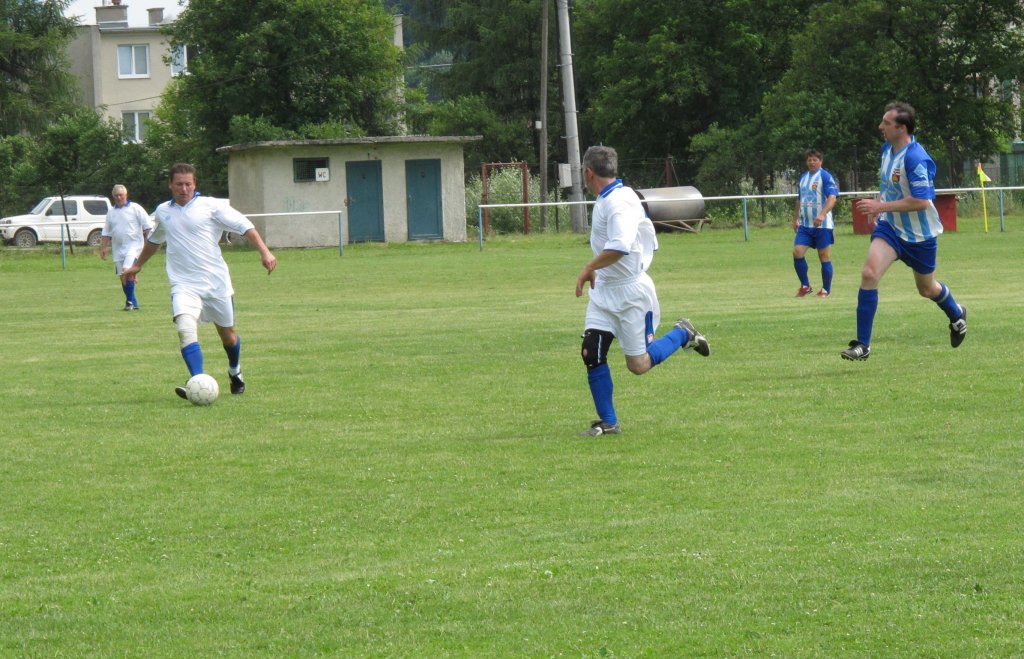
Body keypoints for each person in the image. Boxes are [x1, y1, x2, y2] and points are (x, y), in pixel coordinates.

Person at [574, 145, 710, 437]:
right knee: (591, 351)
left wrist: (589, 267)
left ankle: (682, 333)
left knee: (638, 365)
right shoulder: (608, 197)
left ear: (588, 172)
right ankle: (609, 422)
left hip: (630, 294)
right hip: (605, 290)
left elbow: (620, 247)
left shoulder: (618, 202)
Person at [123, 163, 277, 398]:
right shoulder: (163, 211)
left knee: (228, 335)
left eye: (188, 184)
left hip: (216, 283)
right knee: (185, 328)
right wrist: (137, 265)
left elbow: (245, 226)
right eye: (179, 184)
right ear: (170, 185)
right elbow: (155, 240)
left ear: (195, 184)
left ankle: (235, 370)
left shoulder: (211, 206)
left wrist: (265, 252)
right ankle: (198, 381)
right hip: (183, 284)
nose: (184, 189)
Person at [843, 102, 966, 361]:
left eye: (886, 123)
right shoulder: (887, 150)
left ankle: (957, 315)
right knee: (869, 274)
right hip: (891, 228)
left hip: (920, 237)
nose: (880, 127)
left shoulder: (916, 158)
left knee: (927, 289)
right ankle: (863, 345)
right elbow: (889, 187)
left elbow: (921, 201)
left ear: (901, 128)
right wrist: (880, 205)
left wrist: (880, 206)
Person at [792, 149, 839, 297]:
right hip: (805, 225)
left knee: (823, 256)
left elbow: (832, 198)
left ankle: (826, 290)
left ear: (820, 161)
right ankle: (805, 286)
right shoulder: (803, 177)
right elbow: (799, 199)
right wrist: (795, 218)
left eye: (815, 160)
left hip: (822, 226)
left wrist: (822, 214)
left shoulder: (825, 176)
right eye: (809, 160)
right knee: (797, 252)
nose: (812, 162)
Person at [99, 184, 153, 311]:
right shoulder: (111, 212)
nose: (118, 197)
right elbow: (106, 231)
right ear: (113, 196)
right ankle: (133, 302)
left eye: (121, 195)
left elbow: (148, 227)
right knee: (122, 276)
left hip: (134, 246)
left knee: (126, 271)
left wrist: (148, 244)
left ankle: (129, 302)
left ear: (126, 195)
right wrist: (104, 248)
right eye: (116, 195)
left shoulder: (136, 208)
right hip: (118, 248)